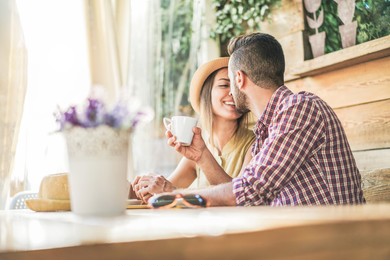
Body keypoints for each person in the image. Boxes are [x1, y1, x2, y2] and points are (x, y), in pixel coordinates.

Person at [156, 32, 365, 207]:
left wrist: (176, 197)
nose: (230, 91)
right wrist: (202, 155)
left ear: (239, 78)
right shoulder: (267, 131)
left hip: (334, 245)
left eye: (229, 81)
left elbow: (249, 189)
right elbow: (245, 194)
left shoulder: (300, 107)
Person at [132, 57, 255, 203]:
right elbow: (163, 192)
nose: (233, 92)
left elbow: (238, 197)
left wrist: (170, 191)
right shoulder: (199, 146)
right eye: (224, 85)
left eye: (237, 86)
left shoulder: (255, 144)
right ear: (206, 94)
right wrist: (147, 187)